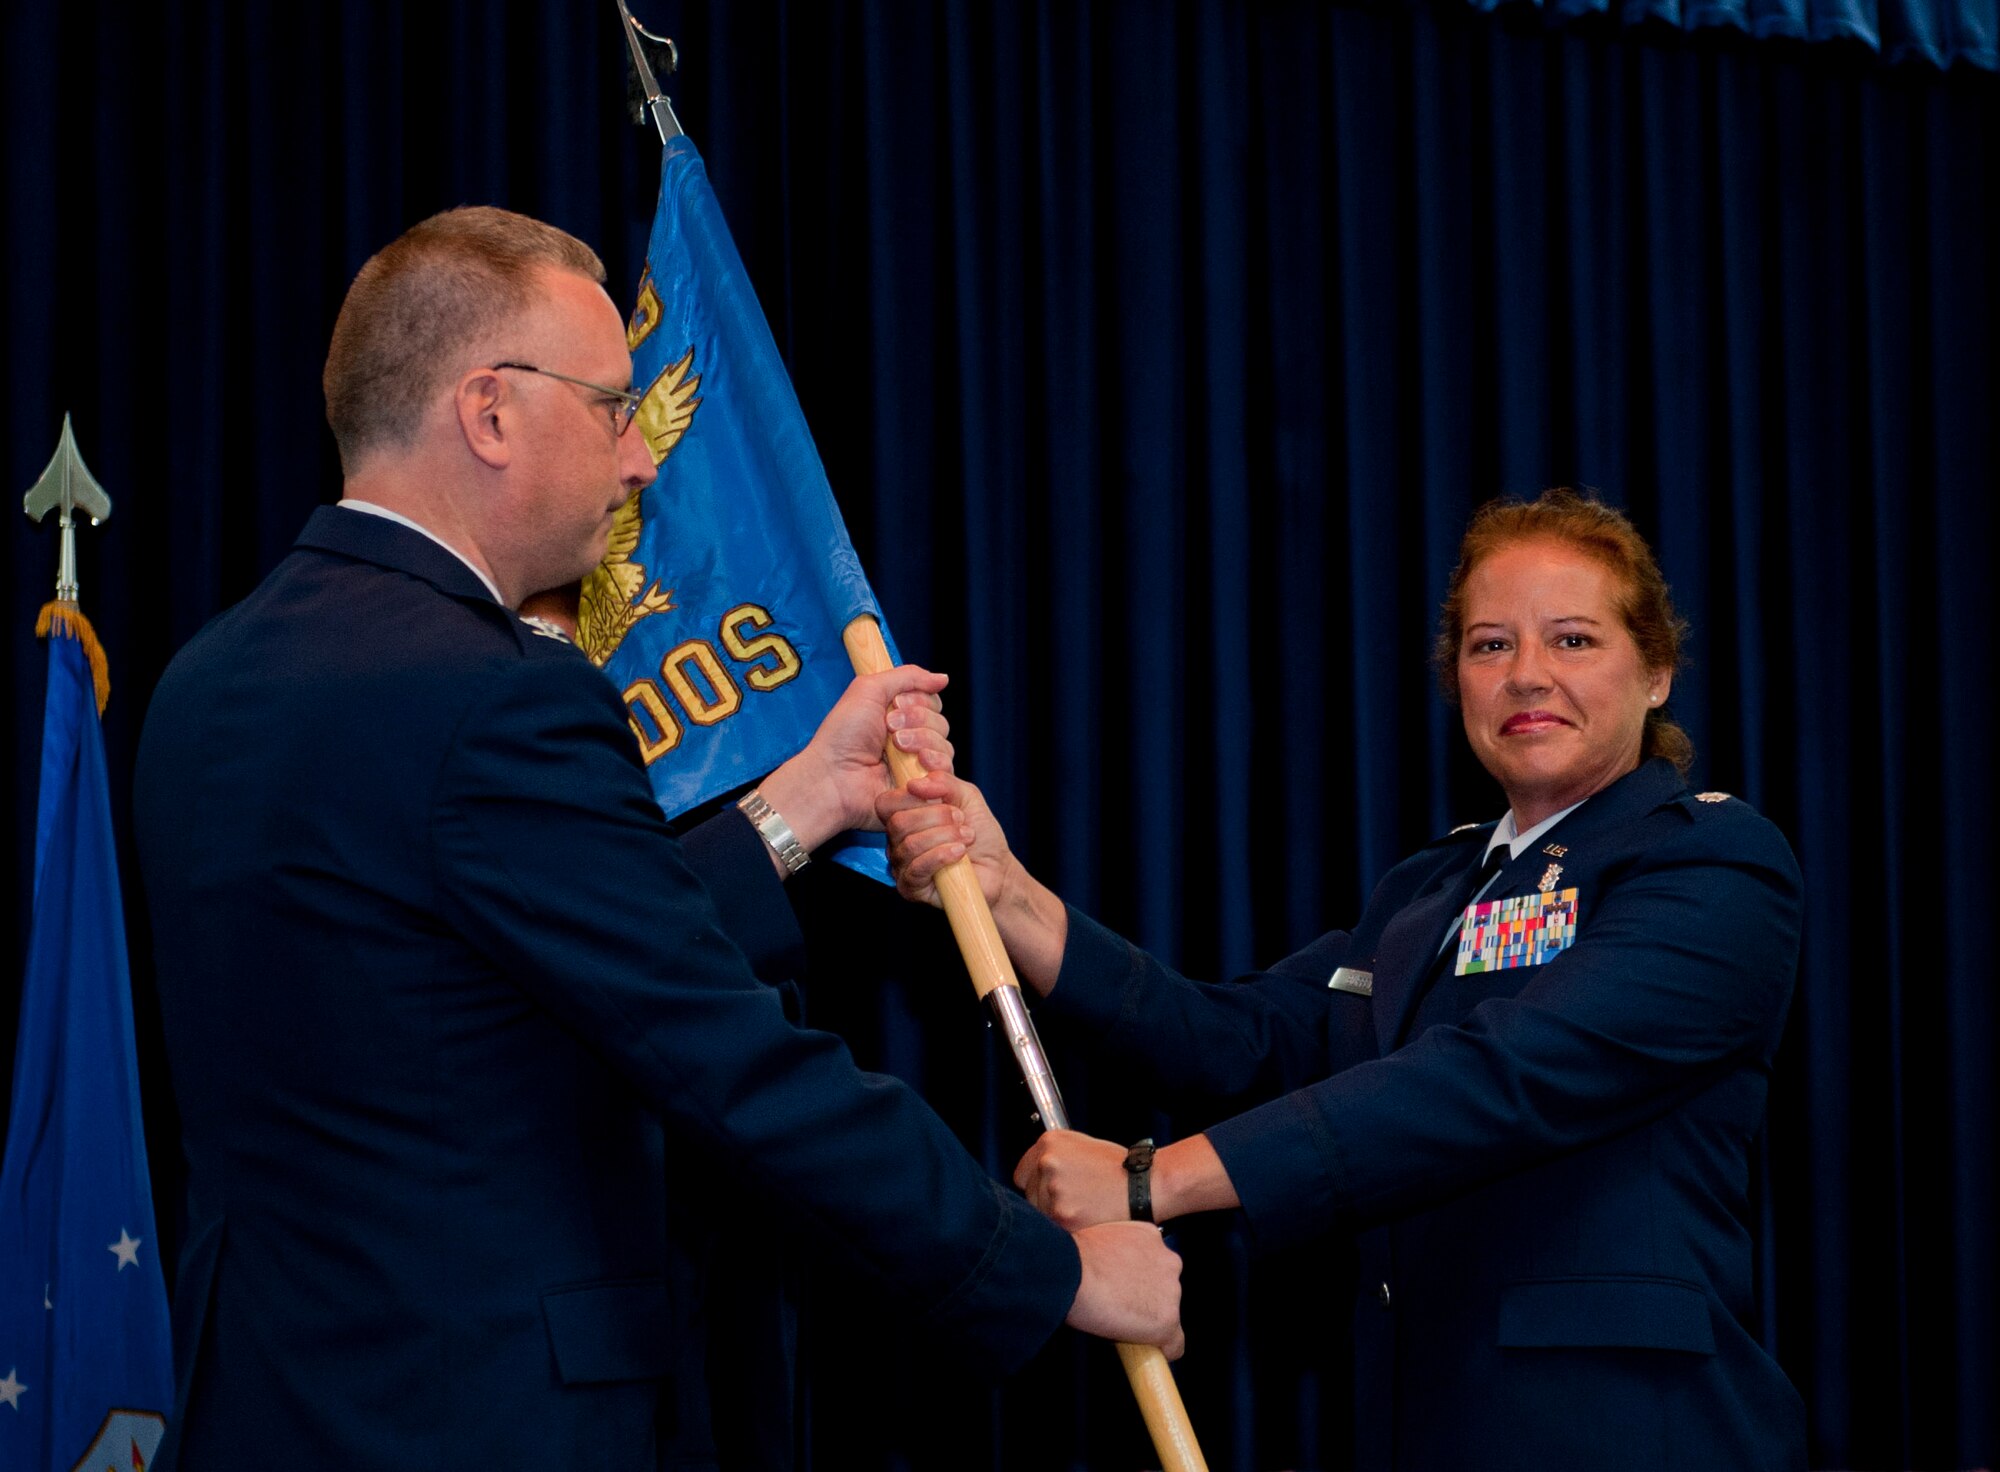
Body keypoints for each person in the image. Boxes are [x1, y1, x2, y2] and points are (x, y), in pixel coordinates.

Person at [132, 206, 1181, 1472]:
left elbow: (481, 972)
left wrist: (805, 800)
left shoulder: (206, 678)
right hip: (481, 1417)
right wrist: (1047, 1264)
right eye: (614, 405)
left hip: (269, 1408)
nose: (640, 458)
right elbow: (721, 1051)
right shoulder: (497, 692)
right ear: (491, 412)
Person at [881, 489, 1806, 1470]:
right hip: (1416, 1421)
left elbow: (1499, 1076)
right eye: (1489, 645)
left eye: (1571, 639)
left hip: (1627, 1430)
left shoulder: (1710, 862)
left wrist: (1152, 1181)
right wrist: (1006, 889)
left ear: (1655, 670)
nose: (1526, 674)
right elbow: (1232, 1036)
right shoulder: (1427, 889)